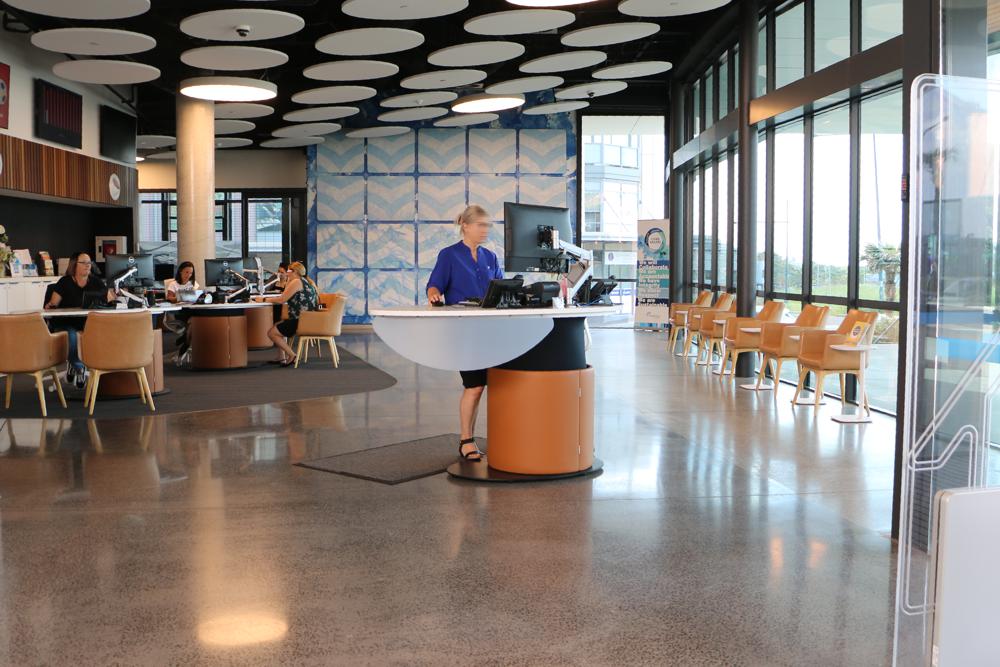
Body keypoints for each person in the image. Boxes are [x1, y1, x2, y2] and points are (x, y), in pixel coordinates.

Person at [426, 204, 504, 462]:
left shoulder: (490, 257)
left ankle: (498, 435)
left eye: (488, 226)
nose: (485, 230)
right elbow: (434, 284)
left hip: (491, 331)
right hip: (463, 330)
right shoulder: (449, 255)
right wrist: (434, 294)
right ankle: (466, 440)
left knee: (488, 386)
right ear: (466, 226)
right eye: (481, 225)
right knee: (474, 386)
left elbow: (502, 287)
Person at [45, 252, 114, 387]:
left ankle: (74, 364)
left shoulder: (96, 282)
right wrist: (50, 305)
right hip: (66, 322)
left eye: (89, 263)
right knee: (72, 337)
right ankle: (78, 366)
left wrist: (114, 295)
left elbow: (110, 299)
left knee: (102, 336)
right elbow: (53, 304)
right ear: (74, 265)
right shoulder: (64, 282)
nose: (88, 265)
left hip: (88, 323)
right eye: (84, 262)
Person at [254, 261, 319, 367]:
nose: (286, 273)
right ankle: (281, 357)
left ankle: (292, 355)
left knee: (272, 333)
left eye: (288, 270)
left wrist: (263, 299)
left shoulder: (296, 282)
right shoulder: (303, 281)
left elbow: (282, 299)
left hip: (300, 320)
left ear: (294, 272)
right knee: (277, 325)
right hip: (306, 318)